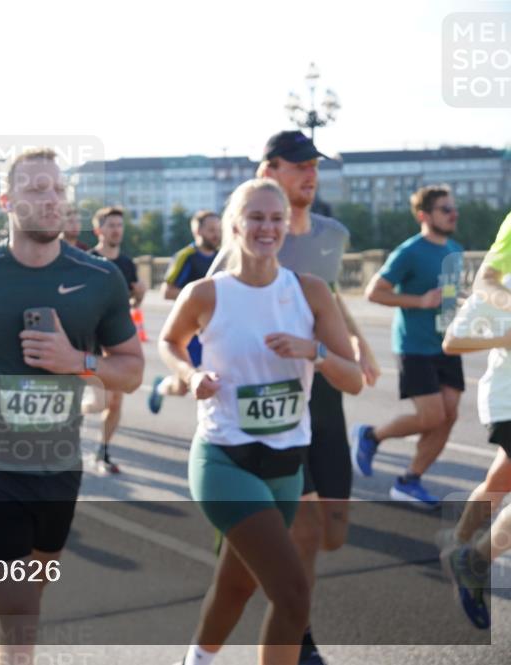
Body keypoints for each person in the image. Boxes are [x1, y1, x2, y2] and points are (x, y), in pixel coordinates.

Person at [0, 148, 143, 665]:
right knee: (22, 627)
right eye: (36, 189)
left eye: (57, 189)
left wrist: (76, 361)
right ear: (7, 201)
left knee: (25, 595)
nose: (51, 199)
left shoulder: (99, 278)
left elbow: (131, 370)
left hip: (59, 464)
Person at [159, 178, 362, 665]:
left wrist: (314, 351)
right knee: (293, 595)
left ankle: (197, 660)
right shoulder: (205, 293)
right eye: (256, 218)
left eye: (276, 219)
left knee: (235, 586)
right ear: (235, 225)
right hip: (225, 459)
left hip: (286, 466)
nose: (267, 227)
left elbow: (353, 379)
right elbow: (169, 343)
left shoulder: (310, 293)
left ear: (287, 227)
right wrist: (191, 374)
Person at [248, 130, 380, 665]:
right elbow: (211, 303)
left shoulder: (333, 233)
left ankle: (266, 575)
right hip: (276, 400)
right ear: (268, 172)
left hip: (326, 394)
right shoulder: (253, 236)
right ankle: (297, 640)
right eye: (298, 165)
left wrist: (362, 348)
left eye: (314, 166)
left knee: (332, 531)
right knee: (301, 530)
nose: (310, 174)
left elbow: (332, 303)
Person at [353, 184, 464, 509]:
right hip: (414, 346)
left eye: (454, 209)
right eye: (445, 209)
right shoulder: (409, 251)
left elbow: (448, 296)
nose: (453, 214)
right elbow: (374, 292)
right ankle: (371, 436)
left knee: (449, 415)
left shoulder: (454, 249)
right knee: (431, 416)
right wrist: (418, 300)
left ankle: (409, 480)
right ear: (424, 215)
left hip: (447, 345)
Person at [438, 211, 511, 630]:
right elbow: (453, 341)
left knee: (500, 482)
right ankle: (474, 559)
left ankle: (463, 549)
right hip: (507, 398)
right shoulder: (497, 285)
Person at [87, 206, 147, 475]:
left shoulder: (127, 264)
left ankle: (103, 450)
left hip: (118, 340)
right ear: (99, 229)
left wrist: (141, 295)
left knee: (115, 402)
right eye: (110, 225)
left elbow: (132, 304)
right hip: (90, 340)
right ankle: (76, 411)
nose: (116, 230)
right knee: (100, 402)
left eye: (120, 226)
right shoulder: (86, 260)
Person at [148, 209, 222, 415]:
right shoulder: (185, 256)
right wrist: (198, 299)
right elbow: (167, 291)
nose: (216, 234)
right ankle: (161, 386)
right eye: (211, 230)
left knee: (214, 380)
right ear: (197, 231)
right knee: (182, 387)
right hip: (190, 331)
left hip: (214, 329)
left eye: (218, 229)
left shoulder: (222, 257)